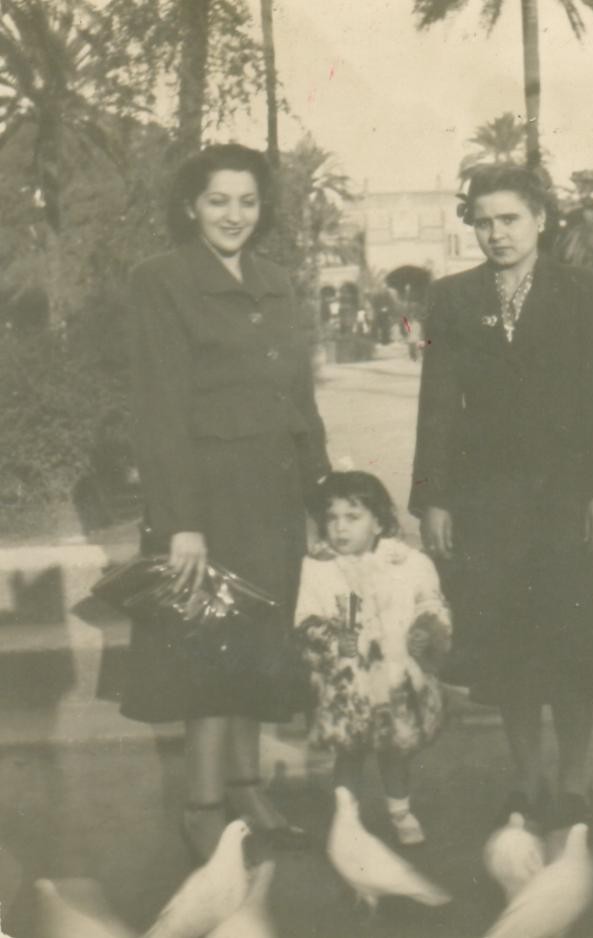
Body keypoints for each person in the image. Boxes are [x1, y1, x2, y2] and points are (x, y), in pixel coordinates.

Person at [410, 166, 593, 834]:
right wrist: (434, 498)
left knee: (574, 648)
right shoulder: (452, 297)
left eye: (510, 219)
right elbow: (437, 403)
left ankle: (574, 782)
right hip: (487, 503)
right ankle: (525, 782)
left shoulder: (584, 292)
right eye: (483, 222)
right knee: (509, 651)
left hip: (568, 499)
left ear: (540, 219)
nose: (496, 233)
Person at [123, 143, 330, 859]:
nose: (234, 214)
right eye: (218, 201)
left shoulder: (276, 281)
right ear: (191, 206)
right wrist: (181, 521)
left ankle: (246, 789)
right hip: (207, 501)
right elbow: (158, 408)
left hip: (274, 495)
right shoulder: (161, 280)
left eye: (247, 201)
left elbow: (299, 397)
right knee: (209, 659)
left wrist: (320, 494)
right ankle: (203, 807)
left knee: (259, 652)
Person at [295, 471, 451, 846]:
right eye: (332, 518)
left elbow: (431, 602)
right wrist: (331, 638)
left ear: (378, 522)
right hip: (346, 681)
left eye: (353, 517)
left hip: (395, 677)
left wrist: (426, 629)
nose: (340, 528)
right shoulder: (318, 568)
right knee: (348, 753)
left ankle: (400, 812)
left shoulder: (408, 563)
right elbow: (305, 619)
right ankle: (347, 820)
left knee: (395, 751)